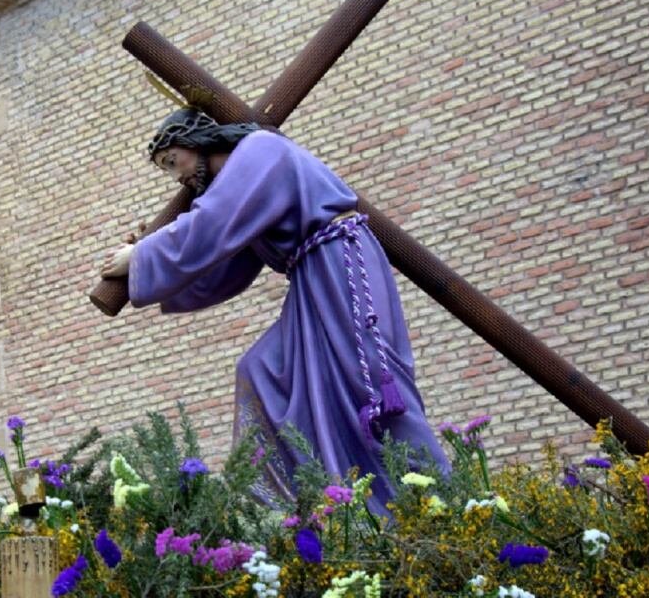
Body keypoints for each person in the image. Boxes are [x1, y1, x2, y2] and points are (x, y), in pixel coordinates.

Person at [101, 108, 449, 514]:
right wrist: (149, 261)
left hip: (341, 263)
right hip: (309, 282)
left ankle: (445, 501)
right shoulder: (242, 198)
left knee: (368, 381)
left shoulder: (259, 151)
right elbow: (225, 269)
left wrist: (143, 254)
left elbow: (210, 223)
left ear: (196, 141)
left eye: (170, 161)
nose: (175, 176)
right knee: (261, 369)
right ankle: (289, 509)